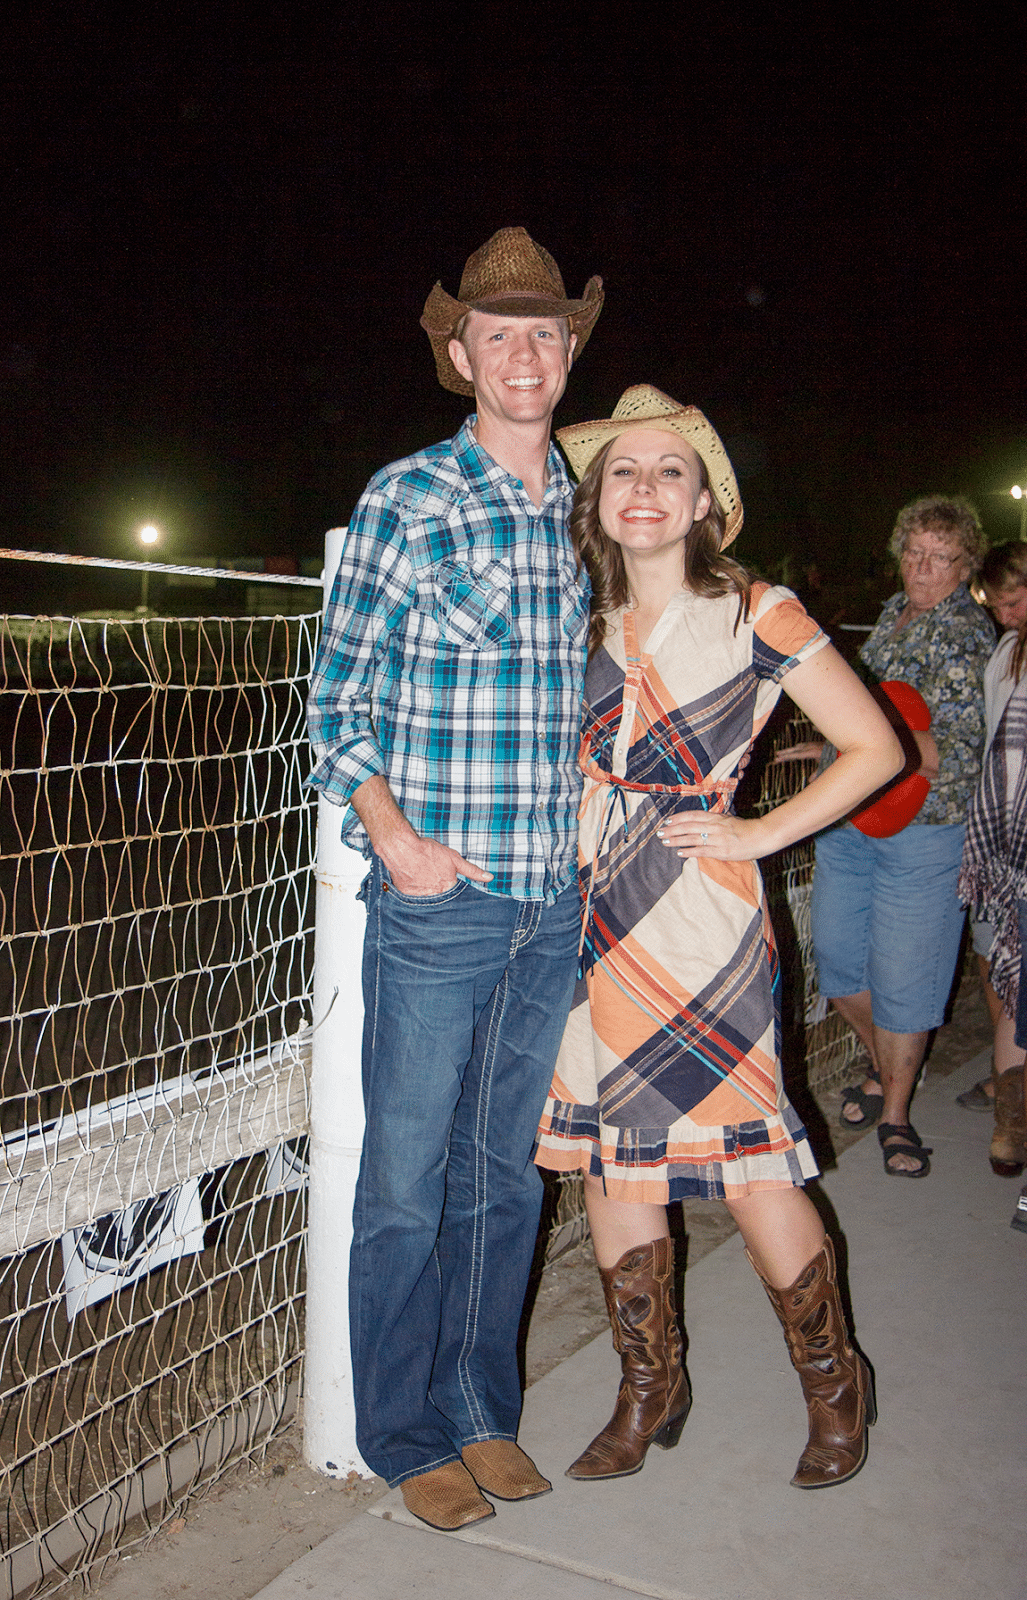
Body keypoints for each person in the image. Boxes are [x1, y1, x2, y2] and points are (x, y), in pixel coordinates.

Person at [534, 385, 903, 1489]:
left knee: (750, 1171)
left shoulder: (759, 610)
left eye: (668, 472)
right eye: (622, 473)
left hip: (701, 917)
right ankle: (651, 1385)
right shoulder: (572, 619)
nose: (642, 489)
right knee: (611, 1163)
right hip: (591, 914)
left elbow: (873, 748)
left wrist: (756, 832)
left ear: (703, 503)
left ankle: (836, 1383)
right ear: (597, 503)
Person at [306, 227, 603, 1531]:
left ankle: (482, 1408)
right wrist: (397, 839)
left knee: (502, 1175)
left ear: (566, 351)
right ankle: (403, 1430)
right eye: (500, 334)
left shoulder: (580, 507)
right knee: (408, 1179)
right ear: (459, 354)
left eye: (545, 332)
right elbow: (333, 704)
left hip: (549, 902)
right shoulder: (408, 498)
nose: (524, 353)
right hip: (440, 902)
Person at [808, 496, 994, 1175]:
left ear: (964, 563)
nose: (921, 568)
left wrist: (867, 740)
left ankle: (894, 1113)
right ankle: (885, 1065)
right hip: (854, 815)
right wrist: (826, 749)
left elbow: (960, 751)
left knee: (906, 980)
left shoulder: (968, 634)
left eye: (938, 557)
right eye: (912, 552)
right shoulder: (890, 614)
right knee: (836, 962)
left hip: (923, 829)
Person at [957, 540, 1027, 1113]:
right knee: (998, 963)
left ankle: (1012, 1106)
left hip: (1013, 847)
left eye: (1013, 601)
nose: (1003, 615)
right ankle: (1009, 1095)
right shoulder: (1006, 651)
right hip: (1000, 844)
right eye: (996, 605)